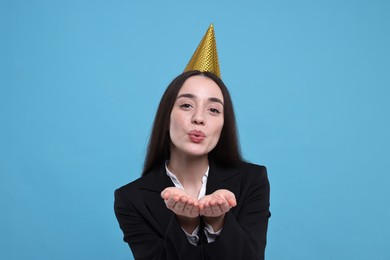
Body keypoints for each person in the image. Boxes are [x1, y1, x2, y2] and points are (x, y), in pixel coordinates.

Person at [114, 24, 271, 260]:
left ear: (223, 124)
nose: (199, 118)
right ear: (166, 115)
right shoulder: (132, 199)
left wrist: (218, 222)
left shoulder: (252, 181)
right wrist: (185, 226)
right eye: (187, 105)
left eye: (213, 110)